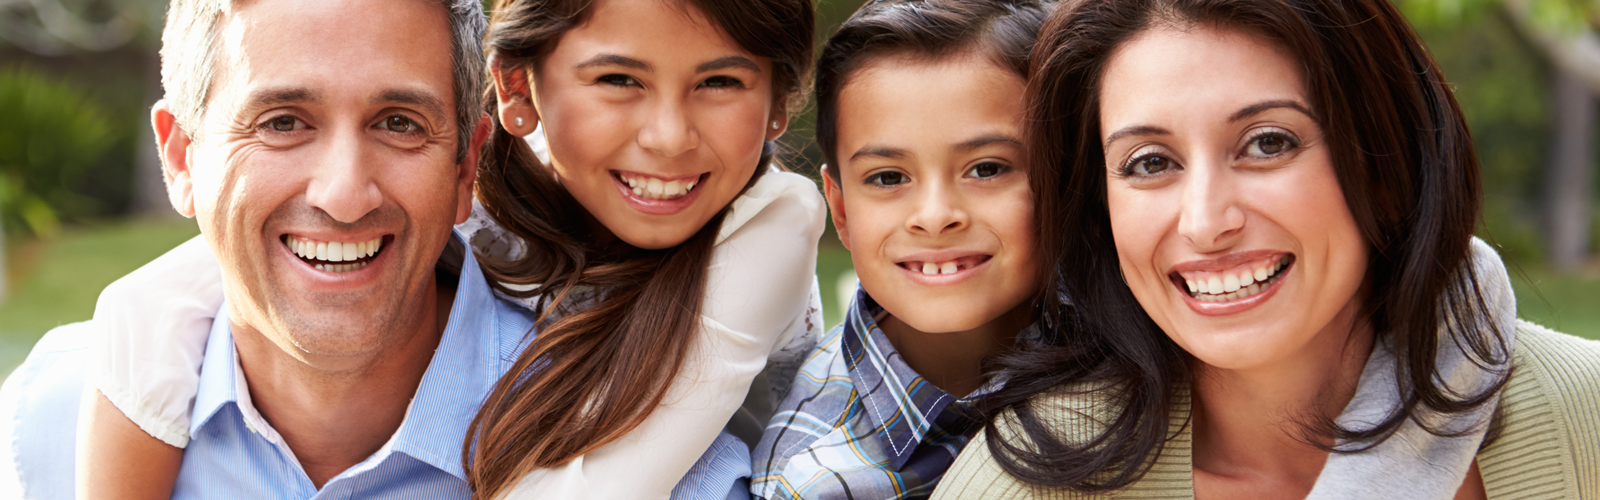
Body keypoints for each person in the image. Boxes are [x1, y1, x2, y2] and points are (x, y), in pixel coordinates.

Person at [61, 0, 824, 499]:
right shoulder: (488, 209)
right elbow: (261, 251)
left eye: (720, 82)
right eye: (283, 121)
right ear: (516, 91)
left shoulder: (772, 225)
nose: (667, 136)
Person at [932, 0, 1600, 498]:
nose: (1205, 222)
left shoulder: (1585, 417)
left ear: (1386, 160)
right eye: (1149, 162)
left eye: (1269, 143)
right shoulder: (1020, 483)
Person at [1, 0, 507, 496]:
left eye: (399, 123)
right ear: (181, 158)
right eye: (282, 122)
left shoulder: (577, 433)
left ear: (466, 168)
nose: (345, 196)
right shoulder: (42, 424)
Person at [748, 2, 1048, 499]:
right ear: (840, 211)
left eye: (988, 168)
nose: (934, 215)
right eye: (889, 178)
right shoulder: (814, 480)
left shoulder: (1146, 338)